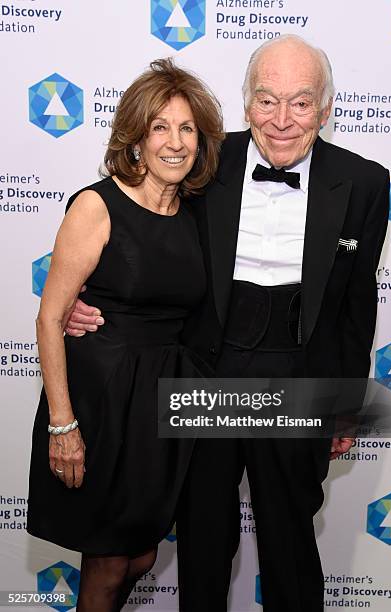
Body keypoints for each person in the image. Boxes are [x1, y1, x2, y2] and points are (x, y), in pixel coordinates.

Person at [67, 36, 390, 611]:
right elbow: (139, 228)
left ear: (325, 108)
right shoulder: (205, 163)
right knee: (203, 536)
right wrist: (82, 297)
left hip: (299, 375)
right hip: (206, 369)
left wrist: (346, 398)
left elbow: (356, 301)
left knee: (290, 537)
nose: (283, 120)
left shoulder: (364, 181)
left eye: (300, 102)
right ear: (246, 105)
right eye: (267, 101)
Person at [27, 58, 224, 612]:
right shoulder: (98, 205)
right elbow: (50, 317)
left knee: (138, 556)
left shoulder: (195, 212)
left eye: (186, 128)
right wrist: (63, 425)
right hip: (104, 399)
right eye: (159, 127)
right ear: (135, 139)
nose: (175, 142)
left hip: (160, 407)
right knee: (110, 561)